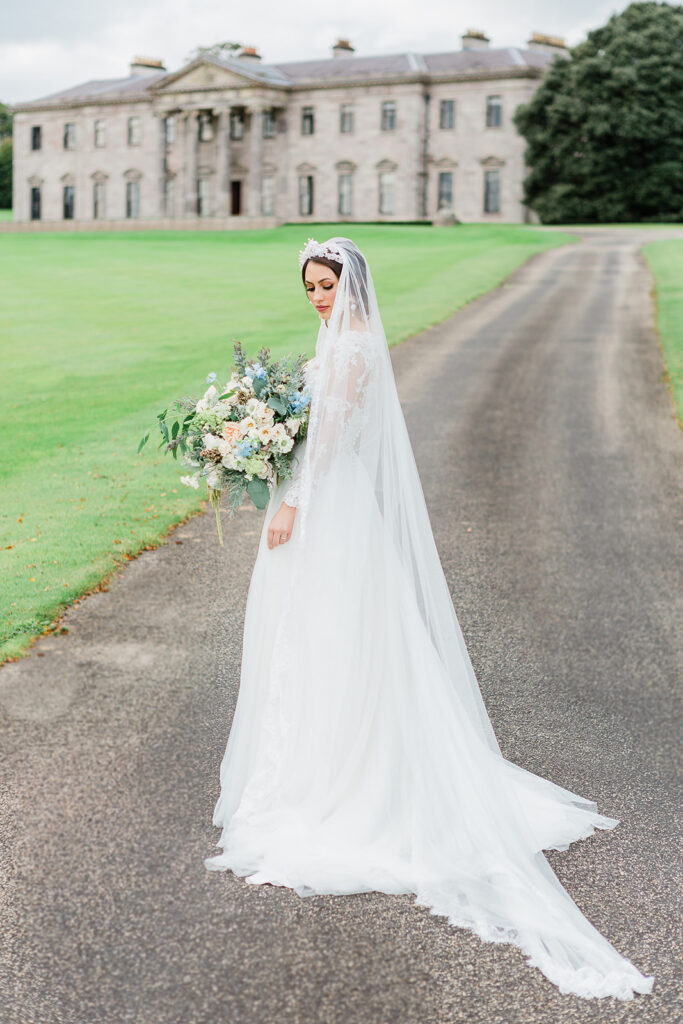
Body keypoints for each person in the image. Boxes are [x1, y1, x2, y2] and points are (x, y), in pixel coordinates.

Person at [204, 237, 654, 1000]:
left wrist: (291, 501)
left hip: (327, 509)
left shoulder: (348, 350)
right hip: (318, 499)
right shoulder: (334, 340)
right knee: (312, 638)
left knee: (335, 638)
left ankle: (339, 784)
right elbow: (308, 434)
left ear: (351, 287)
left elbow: (334, 436)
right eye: (310, 286)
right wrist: (256, 446)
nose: (317, 296)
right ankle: (310, 763)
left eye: (326, 284)